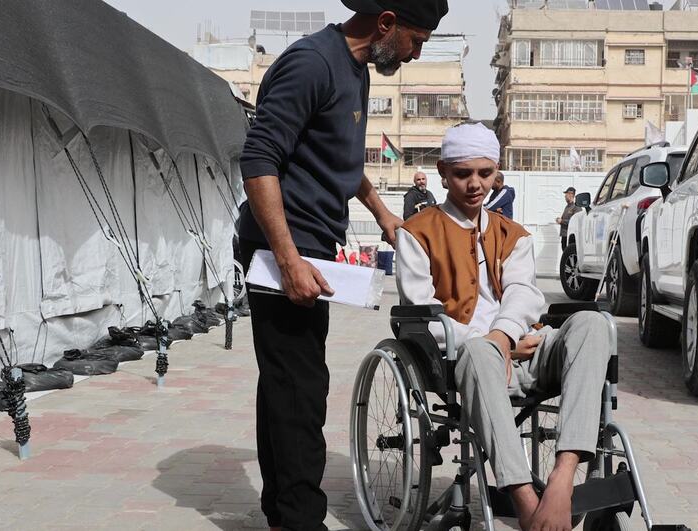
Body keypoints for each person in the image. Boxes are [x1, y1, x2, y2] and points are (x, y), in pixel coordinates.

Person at [235, 0, 448, 529]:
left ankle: (282, 510)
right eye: (415, 41)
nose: (416, 54)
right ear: (386, 23)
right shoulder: (311, 63)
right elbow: (259, 159)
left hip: (310, 249)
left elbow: (340, 159)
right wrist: (287, 260)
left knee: (285, 384)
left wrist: (384, 214)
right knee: (302, 391)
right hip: (281, 252)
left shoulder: (356, 70)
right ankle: (301, 517)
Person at [395, 123, 612, 531]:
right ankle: (526, 501)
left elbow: (524, 294)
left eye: (484, 173)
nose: (475, 184)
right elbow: (425, 315)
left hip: (524, 346)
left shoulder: (513, 234)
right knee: (479, 351)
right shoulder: (416, 234)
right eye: (462, 174)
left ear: (496, 172)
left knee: (591, 324)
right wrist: (494, 346)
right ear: (442, 172)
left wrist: (505, 336)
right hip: (466, 362)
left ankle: (563, 480)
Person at [555, 186, 582, 251]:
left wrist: (562, 221)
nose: (565, 196)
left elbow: (575, 222)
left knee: (570, 257)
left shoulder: (576, 207)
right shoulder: (567, 207)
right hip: (564, 235)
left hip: (570, 237)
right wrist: (560, 220)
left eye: (566, 194)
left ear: (571, 194)